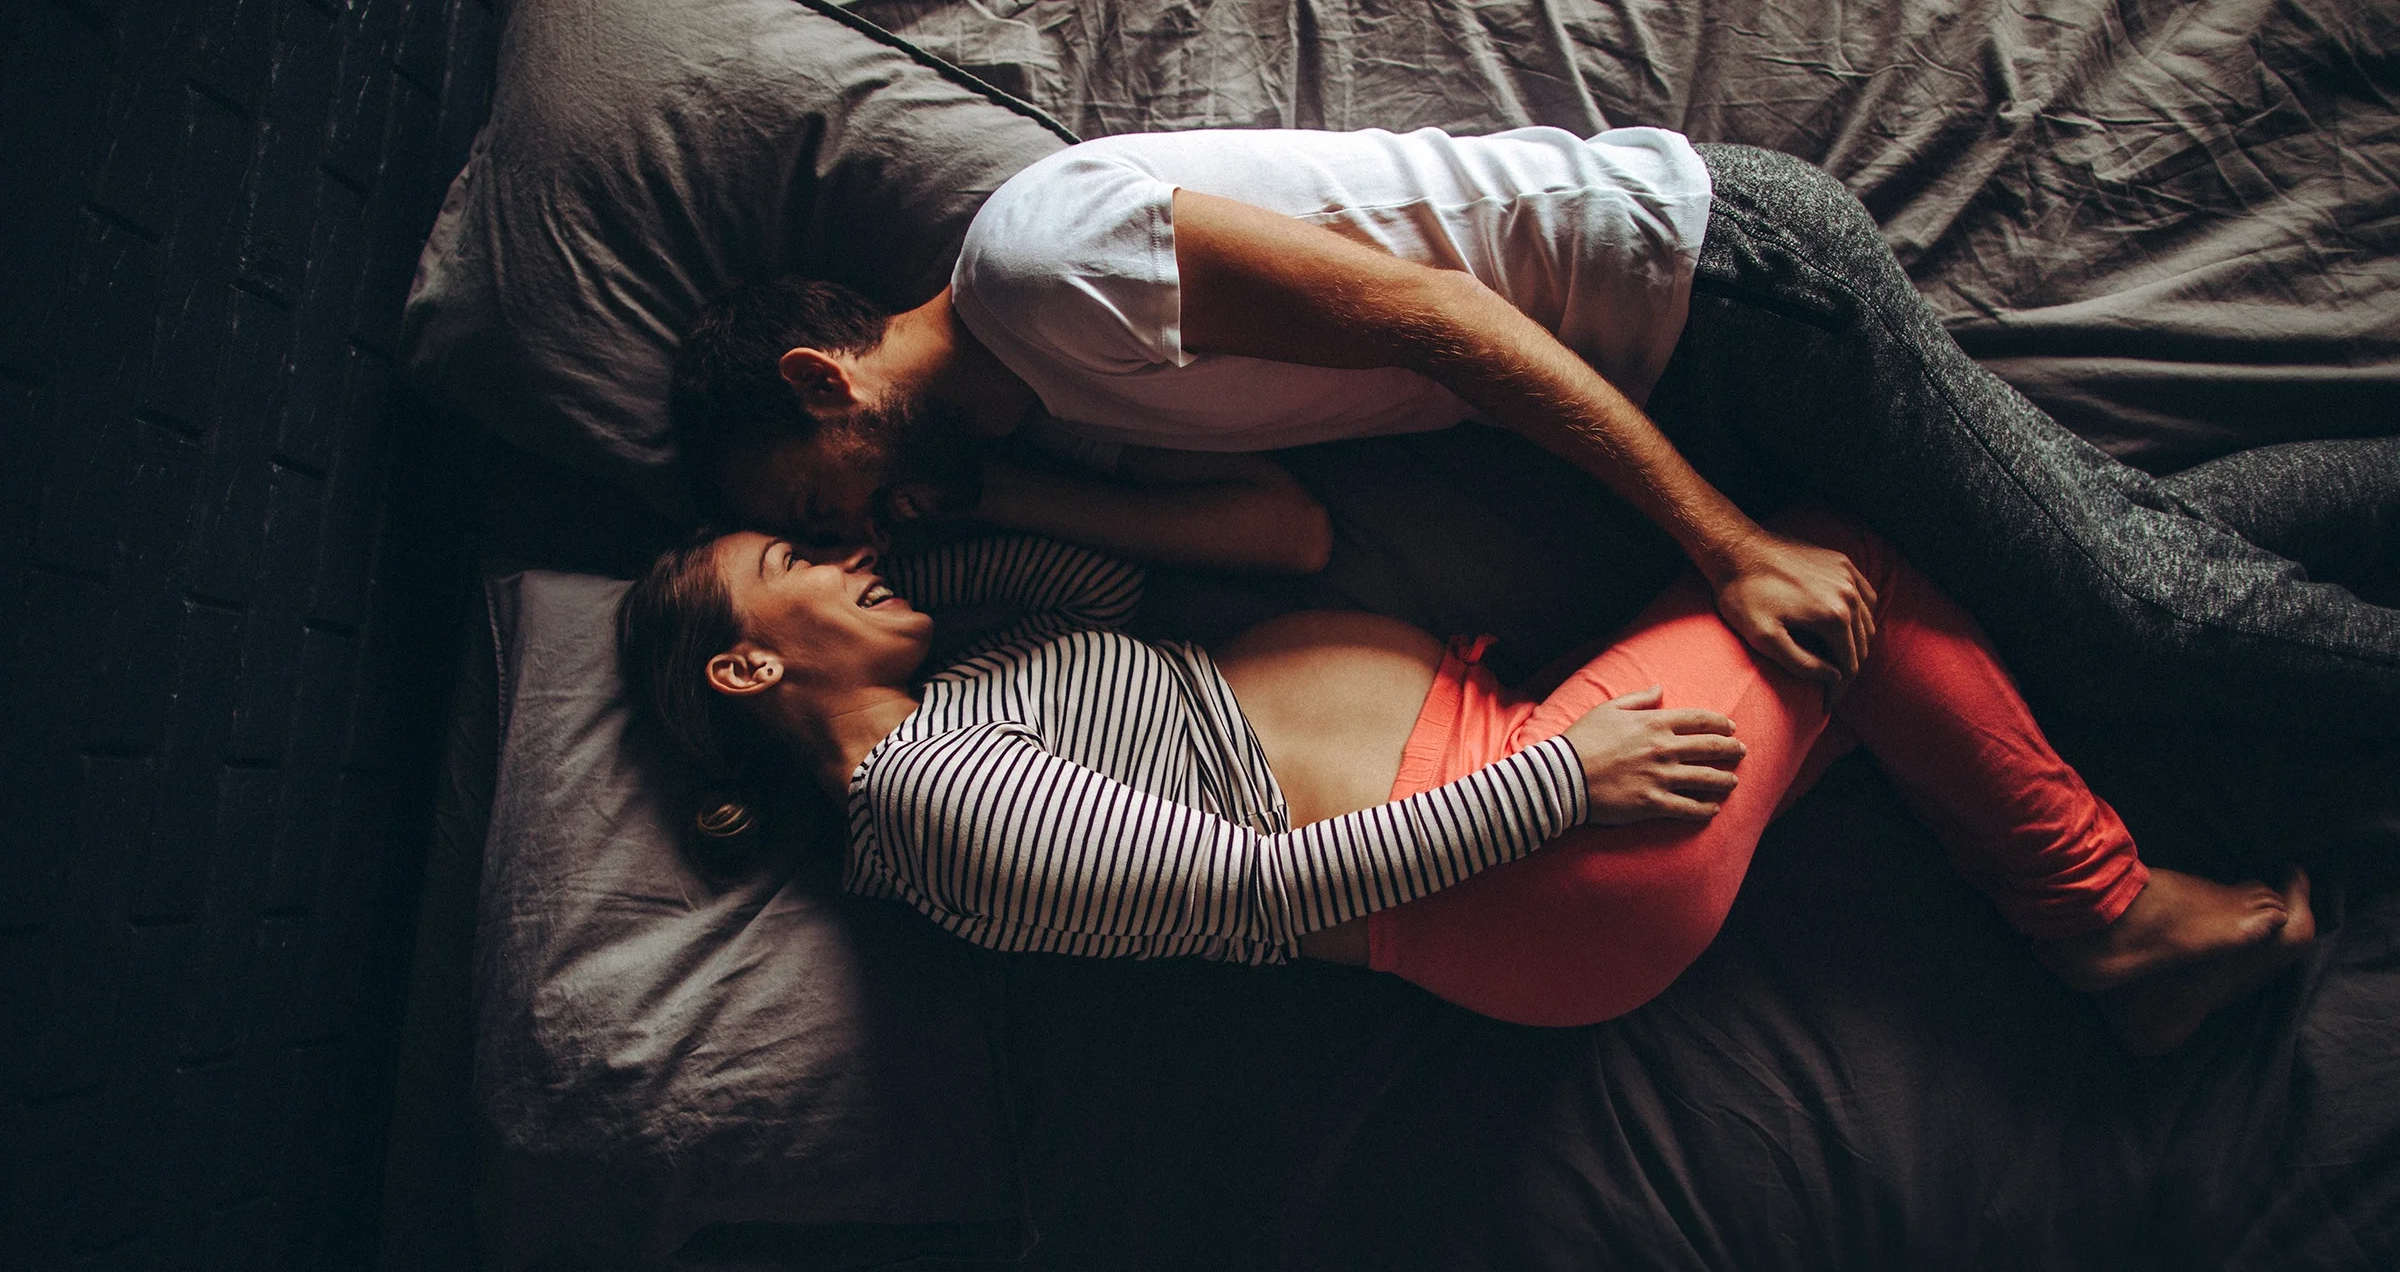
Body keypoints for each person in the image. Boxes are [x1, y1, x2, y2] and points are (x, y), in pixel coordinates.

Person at [667, 126, 2400, 724]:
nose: (842, 532)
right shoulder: (1048, 410)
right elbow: (1286, 533)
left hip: (1727, 288)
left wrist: (1721, 546)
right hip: (1683, 350)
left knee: (2120, 618)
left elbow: (1440, 316)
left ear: (826, 382)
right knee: (2125, 564)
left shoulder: (1039, 264)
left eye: (809, 496)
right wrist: (1003, 507)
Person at [616, 511, 2315, 1056]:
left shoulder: (967, 690)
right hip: (1513, 851)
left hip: (1517, 786)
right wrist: (1563, 779)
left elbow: (1107, 599)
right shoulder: (923, 797)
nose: (840, 550)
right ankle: (2104, 914)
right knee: (1840, 585)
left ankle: (2206, 630)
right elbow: (1256, 888)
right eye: (793, 559)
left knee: (1874, 659)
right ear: (744, 667)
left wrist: (930, 548)